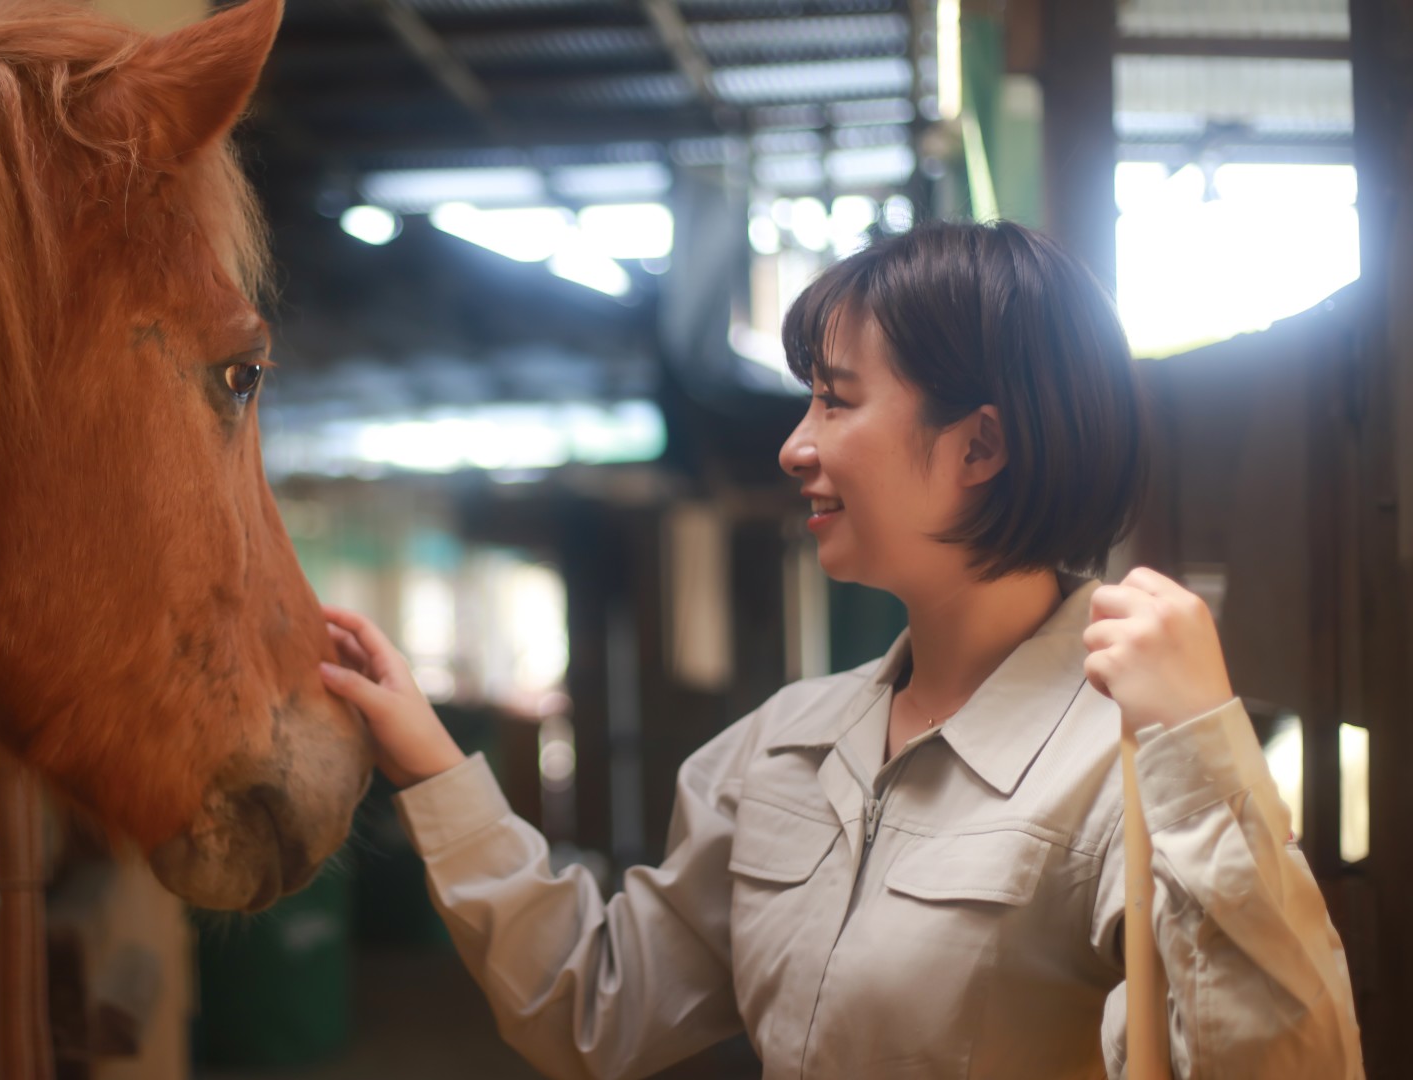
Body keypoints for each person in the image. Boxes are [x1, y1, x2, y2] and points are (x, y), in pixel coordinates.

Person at [317, 221, 1364, 1079]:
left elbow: (1283, 1065)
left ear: (980, 446)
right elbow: (591, 1007)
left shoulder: (1128, 766)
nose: (793, 445)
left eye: (836, 399)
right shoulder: (782, 747)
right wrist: (431, 763)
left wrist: (1197, 745)